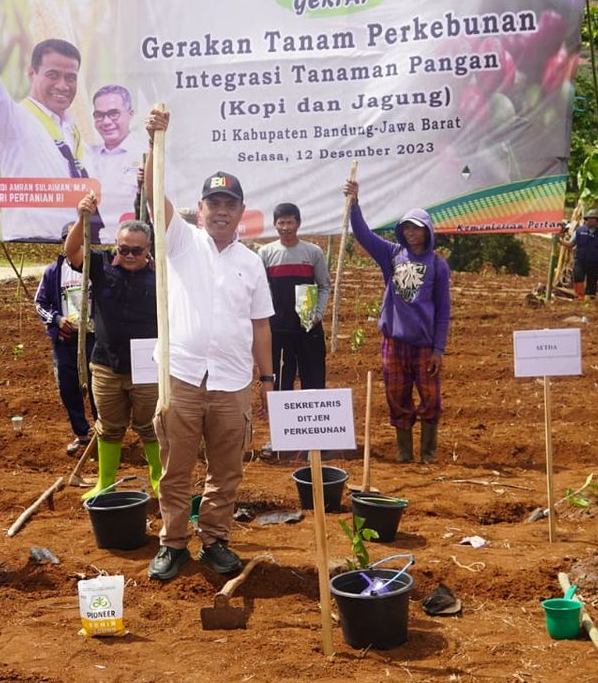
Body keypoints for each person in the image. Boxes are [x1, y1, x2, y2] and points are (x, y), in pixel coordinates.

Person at [143, 109, 274, 582]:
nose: (220, 211)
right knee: (175, 468)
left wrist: (267, 381)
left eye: (229, 204)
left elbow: (261, 326)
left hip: (232, 381)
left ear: (241, 212)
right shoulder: (180, 241)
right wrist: (155, 139)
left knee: (226, 469)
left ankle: (216, 539)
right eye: (212, 203)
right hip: (180, 375)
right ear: (199, 209)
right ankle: (173, 543)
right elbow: (154, 195)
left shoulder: (252, 263)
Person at [0, 0, 90, 241]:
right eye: (52, 75)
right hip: (31, 240)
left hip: (75, 242)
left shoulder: (72, 129)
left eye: (70, 77)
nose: (63, 86)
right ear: (32, 73)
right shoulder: (13, 119)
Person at [343, 179, 451, 464]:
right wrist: (355, 203)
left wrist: (439, 349)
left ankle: (427, 455)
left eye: (417, 228)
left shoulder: (438, 265)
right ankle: (404, 454)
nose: (411, 233)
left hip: (424, 346)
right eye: (407, 227)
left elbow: (443, 310)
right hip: (393, 343)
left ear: (427, 232)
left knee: (431, 399)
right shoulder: (391, 255)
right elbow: (364, 235)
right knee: (396, 396)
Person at [64, 194, 160, 500]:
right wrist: (83, 218)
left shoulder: (160, 275)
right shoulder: (101, 264)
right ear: (115, 247)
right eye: (123, 249)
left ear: (147, 249)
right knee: (108, 427)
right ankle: (104, 482)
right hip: (106, 363)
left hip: (148, 364)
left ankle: (158, 479)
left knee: (151, 426)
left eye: (137, 250)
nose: (129, 255)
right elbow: (72, 252)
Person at [34, 222, 96, 456]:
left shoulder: (96, 268)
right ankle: (82, 434)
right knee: (68, 388)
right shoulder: (53, 271)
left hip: (94, 339)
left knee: (98, 387)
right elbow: (40, 303)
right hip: (65, 340)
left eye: (80, 240)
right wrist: (58, 319)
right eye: (69, 239)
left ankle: (104, 434)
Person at [258, 203, 330, 391]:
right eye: (281, 223)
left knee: (314, 381)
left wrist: (318, 314)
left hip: (309, 328)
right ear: (274, 224)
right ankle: (282, 420)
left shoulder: (313, 252)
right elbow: (260, 291)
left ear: (298, 224)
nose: (286, 228)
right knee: (281, 383)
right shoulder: (265, 253)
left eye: (290, 222)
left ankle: (314, 419)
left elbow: (324, 286)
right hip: (279, 330)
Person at [86, 85, 143, 233]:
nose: (106, 121)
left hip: (131, 248)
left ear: (130, 114)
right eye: (99, 115)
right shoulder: (87, 156)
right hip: (91, 244)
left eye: (113, 114)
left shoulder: (147, 156)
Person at [561, 208, 598, 298]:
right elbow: (571, 244)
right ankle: (579, 297)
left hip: (595, 261)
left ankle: (590, 298)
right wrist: (560, 241)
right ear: (586, 220)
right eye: (589, 219)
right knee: (578, 277)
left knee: (592, 280)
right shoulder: (579, 231)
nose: (591, 221)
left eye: (593, 219)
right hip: (581, 260)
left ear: (597, 221)